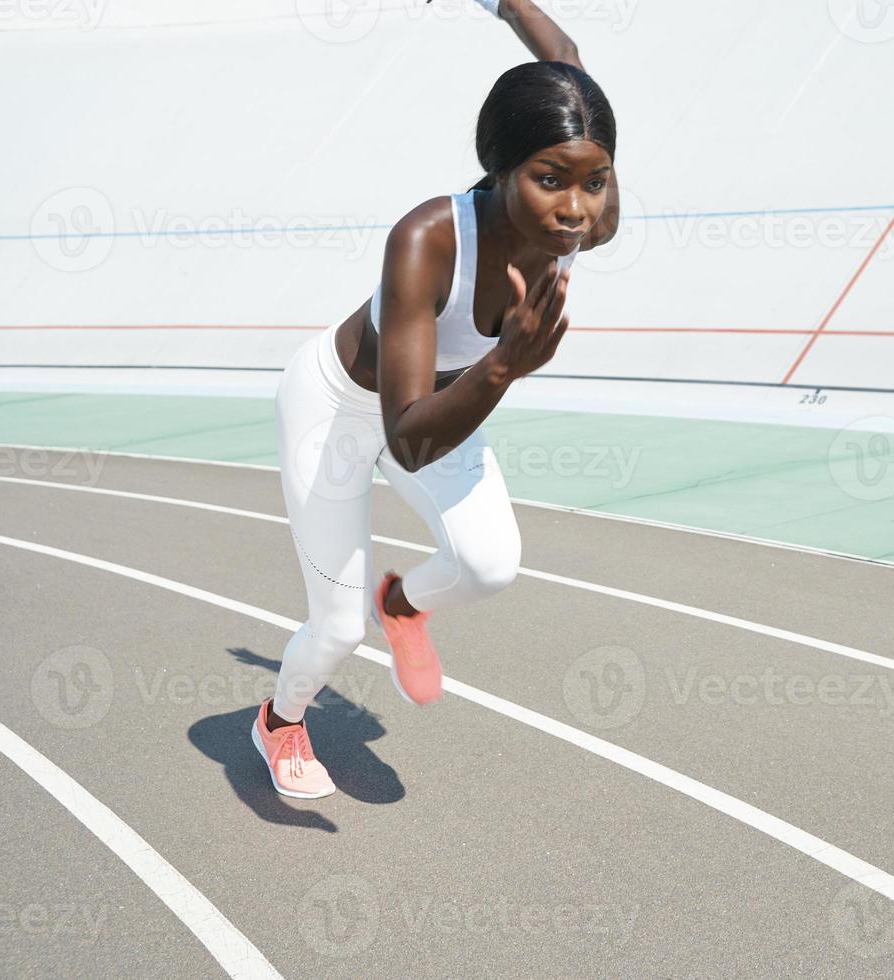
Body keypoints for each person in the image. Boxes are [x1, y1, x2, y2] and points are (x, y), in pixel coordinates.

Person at [254, 0, 620, 799]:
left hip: (439, 406)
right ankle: (280, 720)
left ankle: (402, 599)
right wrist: (502, 369)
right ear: (500, 166)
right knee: (336, 628)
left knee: (490, 565)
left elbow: (563, 50)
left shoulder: (585, 206)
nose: (575, 209)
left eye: (594, 181)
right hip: (343, 414)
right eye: (550, 181)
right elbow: (409, 440)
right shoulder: (427, 240)